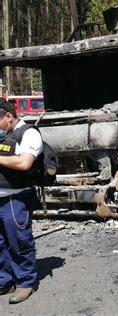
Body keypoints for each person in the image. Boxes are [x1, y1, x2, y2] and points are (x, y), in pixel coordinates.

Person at [0, 98, 42, 304]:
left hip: (15, 198)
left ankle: (26, 283)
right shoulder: (3, 134)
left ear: (8, 116)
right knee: (0, 244)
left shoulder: (28, 134)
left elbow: (25, 163)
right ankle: (4, 281)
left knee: (19, 242)